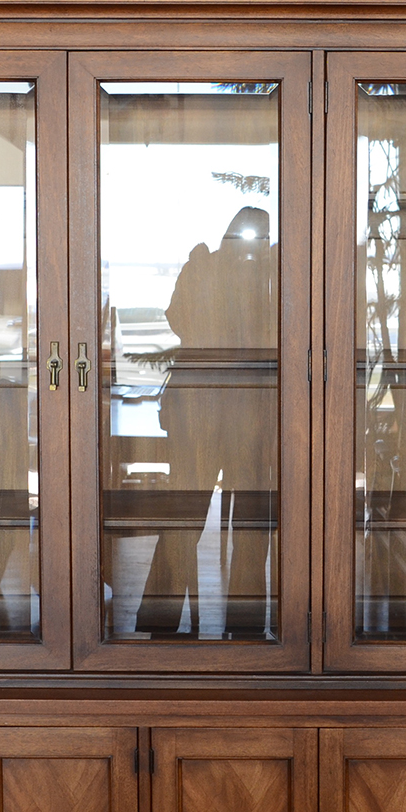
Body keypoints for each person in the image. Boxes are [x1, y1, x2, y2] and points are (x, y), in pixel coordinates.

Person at [135, 206, 278, 636]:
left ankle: (239, 621)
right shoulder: (204, 266)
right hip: (212, 408)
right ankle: (171, 618)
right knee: (189, 513)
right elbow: (178, 317)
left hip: (242, 410)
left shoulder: (269, 277)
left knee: (245, 518)